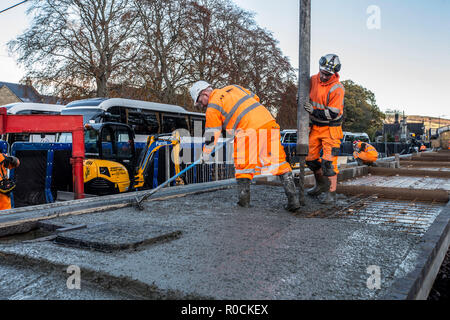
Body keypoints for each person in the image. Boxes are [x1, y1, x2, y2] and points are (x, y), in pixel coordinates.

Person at [189, 81, 300, 212]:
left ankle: (244, 202)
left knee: (243, 167)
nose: (201, 105)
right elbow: (255, 99)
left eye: (200, 102)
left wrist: (205, 154)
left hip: (247, 130)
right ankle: (293, 200)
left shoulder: (213, 106)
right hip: (268, 123)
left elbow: (212, 135)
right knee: (279, 162)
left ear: (204, 93)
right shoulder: (233, 87)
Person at [303, 54, 345, 204]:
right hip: (315, 127)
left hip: (330, 129)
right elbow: (304, 95)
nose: (324, 76)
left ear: (334, 73)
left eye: (327, 74)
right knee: (311, 160)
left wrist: (313, 111)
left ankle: (331, 193)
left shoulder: (337, 89)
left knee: (328, 163)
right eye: (322, 72)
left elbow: (332, 113)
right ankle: (320, 185)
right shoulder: (313, 79)